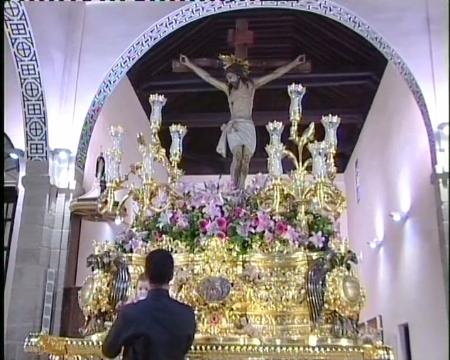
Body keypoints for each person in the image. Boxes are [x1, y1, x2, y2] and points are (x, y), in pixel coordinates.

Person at [180, 53, 304, 189]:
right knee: (237, 156)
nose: (228, 79)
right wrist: (189, 64)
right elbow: (207, 77)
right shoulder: (228, 89)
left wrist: (294, 63)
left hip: (248, 126)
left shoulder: (251, 85)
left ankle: (241, 188)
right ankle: (234, 187)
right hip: (235, 126)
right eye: (227, 77)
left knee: (245, 161)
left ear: (238, 75)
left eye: (230, 76)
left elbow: (275, 74)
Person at [102, 249, 196, 360]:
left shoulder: (130, 313)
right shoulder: (187, 315)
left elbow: (108, 350)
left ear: (146, 274)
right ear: (171, 276)